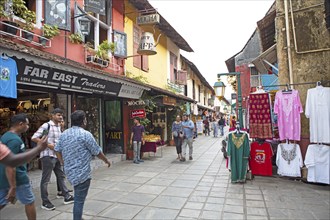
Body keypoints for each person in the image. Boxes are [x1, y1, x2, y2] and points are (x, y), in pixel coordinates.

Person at [54, 110, 111, 220]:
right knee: (79, 201)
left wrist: (62, 162)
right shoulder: (85, 134)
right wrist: (106, 160)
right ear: (83, 121)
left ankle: (78, 217)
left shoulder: (65, 133)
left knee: (78, 197)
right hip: (82, 173)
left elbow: (57, 149)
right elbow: (97, 151)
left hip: (70, 172)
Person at [0, 114, 47, 220]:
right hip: (18, 178)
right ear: (21, 124)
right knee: (29, 201)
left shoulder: (6, 136)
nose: (28, 126)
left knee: (3, 201)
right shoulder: (14, 141)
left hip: (4, 178)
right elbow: (11, 164)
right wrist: (13, 186)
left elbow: (14, 156)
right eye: (27, 124)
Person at [31, 108, 73, 211]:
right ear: (52, 115)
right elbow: (34, 137)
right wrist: (48, 145)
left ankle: (66, 196)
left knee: (61, 175)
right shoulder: (47, 126)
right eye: (58, 115)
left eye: (62, 115)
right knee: (46, 180)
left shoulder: (59, 126)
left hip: (57, 155)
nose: (61, 117)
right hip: (48, 156)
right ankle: (45, 202)